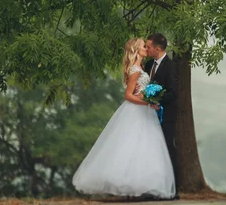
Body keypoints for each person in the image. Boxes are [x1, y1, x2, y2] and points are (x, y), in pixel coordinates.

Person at [72, 38, 176, 199]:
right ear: (136, 50)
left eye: (147, 46)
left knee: (144, 148)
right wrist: (147, 102)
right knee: (130, 146)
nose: (146, 49)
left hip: (145, 112)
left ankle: (141, 187)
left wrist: (150, 101)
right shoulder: (135, 69)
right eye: (143, 46)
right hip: (136, 111)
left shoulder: (143, 67)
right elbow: (128, 96)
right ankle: (128, 187)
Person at [144, 33, 179, 200]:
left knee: (167, 150)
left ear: (157, 49)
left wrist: (156, 100)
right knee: (152, 151)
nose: (146, 49)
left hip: (165, 116)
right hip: (149, 115)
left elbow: (173, 92)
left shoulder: (170, 66)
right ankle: (154, 188)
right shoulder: (149, 64)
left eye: (148, 47)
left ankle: (172, 190)